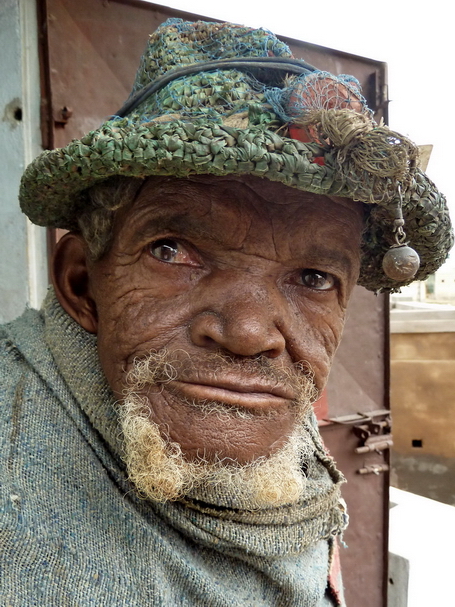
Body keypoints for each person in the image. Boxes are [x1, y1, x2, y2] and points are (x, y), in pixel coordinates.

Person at [1, 18, 452, 607]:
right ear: (83, 285)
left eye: (314, 278)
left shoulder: (247, 408)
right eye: (173, 250)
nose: (248, 334)